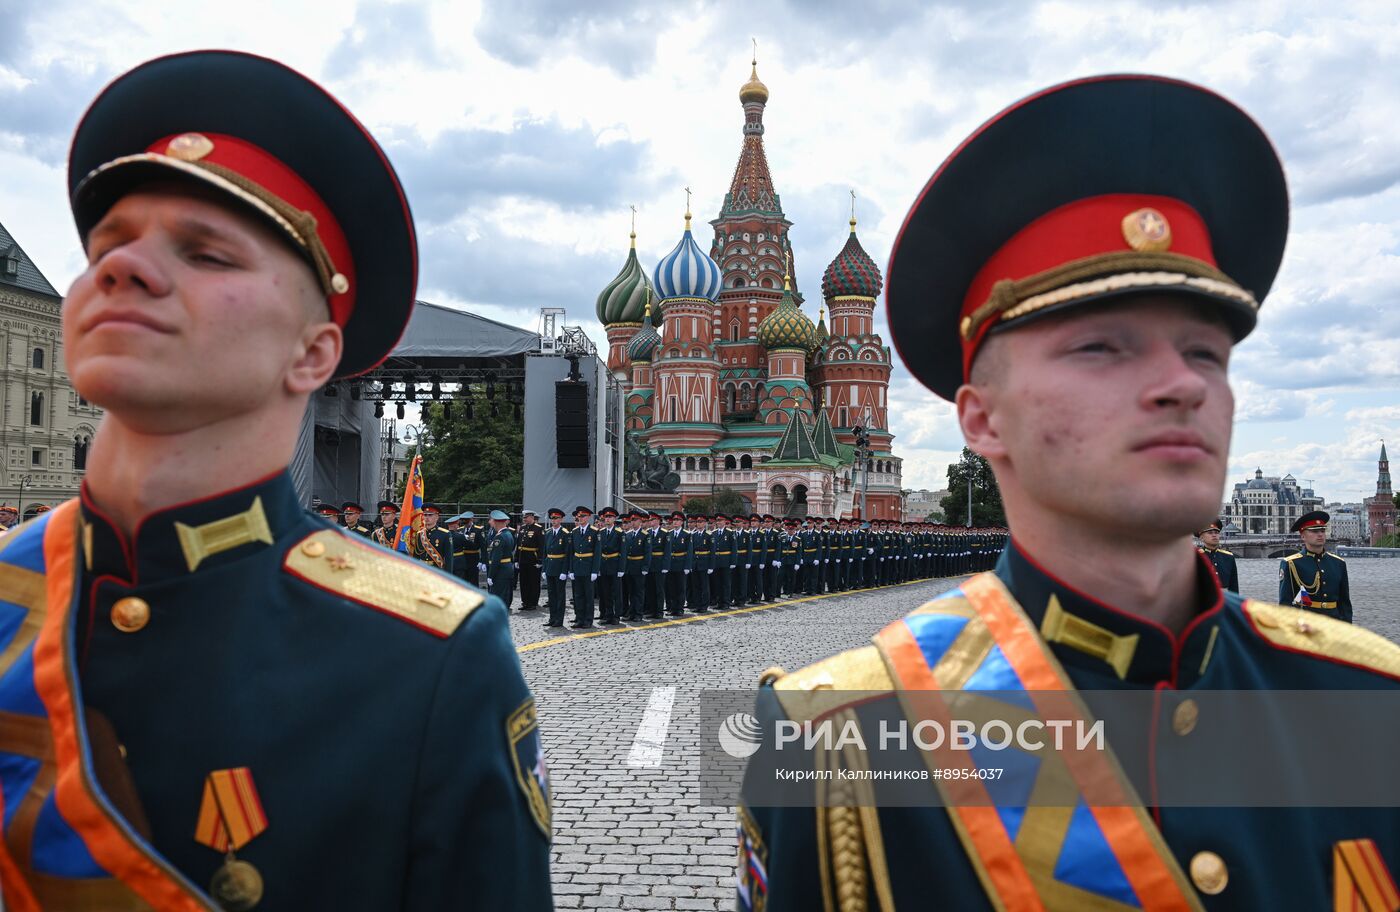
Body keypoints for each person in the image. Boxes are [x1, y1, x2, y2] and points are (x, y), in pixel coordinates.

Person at [738, 74, 1400, 911]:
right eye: (1102, 348)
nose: (1181, 385)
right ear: (982, 421)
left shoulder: (1368, 700)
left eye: (1205, 351)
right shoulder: (839, 744)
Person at [0, 51, 551, 911]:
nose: (122, 267)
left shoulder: (431, 658)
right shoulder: (12, 594)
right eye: (108, 244)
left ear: (313, 353)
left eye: (206, 253)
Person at [1279, 510, 1351, 623]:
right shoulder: (1292, 563)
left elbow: (1344, 602)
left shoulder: (1338, 563)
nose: (1320, 534)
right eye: (1315, 531)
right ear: (1303, 536)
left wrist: (1347, 627)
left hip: (1334, 624)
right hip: (1306, 624)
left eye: (1322, 530)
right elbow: (1285, 603)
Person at [568, 505, 600, 628]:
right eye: (579, 516)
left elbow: (597, 553)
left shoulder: (594, 532)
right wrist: (571, 569)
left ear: (588, 517)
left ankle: (588, 620)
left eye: (583, 516)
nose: (580, 518)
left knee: (588, 596)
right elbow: (571, 552)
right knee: (578, 595)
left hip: (588, 567)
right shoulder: (574, 532)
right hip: (577, 567)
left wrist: (595, 570)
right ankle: (579, 619)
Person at [542, 507, 571, 628]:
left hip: (559, 568)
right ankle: (552, 618)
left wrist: (565, 571)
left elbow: (567, 554)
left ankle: (559, 619)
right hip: (550, 567)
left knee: (560, 595)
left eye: (556, 518)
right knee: (551, 595)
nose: (553, 520)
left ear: (561, 519)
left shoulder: (565, 534)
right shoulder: (548, 533)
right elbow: (545, 553)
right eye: (552, 518)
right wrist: (544, 569)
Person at [596, 506, 623, 624]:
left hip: (615, 564)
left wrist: (621, 568)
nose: (607, 519)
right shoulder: (601, 532)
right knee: (605, 592)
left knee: (616, 592)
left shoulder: (619, 532)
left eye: (610, 517)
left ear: (614, 519)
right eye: (606, 517)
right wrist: (598, 567)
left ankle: (617, 615)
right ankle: (608, 614)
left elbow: (623, 551)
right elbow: (598, 551)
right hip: (604, 565)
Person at [483, 509, 515, 609]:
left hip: (500, 571)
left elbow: (496, 558)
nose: (489, 522)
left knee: (498, 596)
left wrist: (491, 575)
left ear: (496, 522)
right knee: (504, 596)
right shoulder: (508, 533)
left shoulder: (499, 537)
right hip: (506, 568)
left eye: (491, 520)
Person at [1197, 518, 1239, 593]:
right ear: (1201, 537)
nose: (1214, 535)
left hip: (1224, 598)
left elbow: (1233, 587)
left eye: (1216, 532)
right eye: (1210, 533)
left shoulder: (1228, 557)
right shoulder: (1196, 557)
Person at [412, 503, 453, 575]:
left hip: (437, 572)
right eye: (425, 515)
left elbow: (449, 559)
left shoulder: (445, 534)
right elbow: (416, 556)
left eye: (430, 515)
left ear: (437, 517)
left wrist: (447, 577)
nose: (427, 517)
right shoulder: (419, 534)